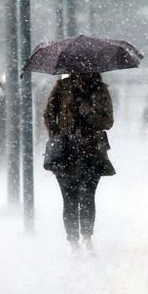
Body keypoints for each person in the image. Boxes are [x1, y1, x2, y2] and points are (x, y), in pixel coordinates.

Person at [44, 72, 115, 255]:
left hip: (91, 151)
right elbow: (49, 115)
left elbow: (108, 121)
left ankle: (87, 237)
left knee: (88, 196)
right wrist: (58, 135)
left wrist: (90, 114)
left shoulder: (100, 89)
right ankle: (73, 242)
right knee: (69, 198)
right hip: (66, 153)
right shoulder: (62, 87)